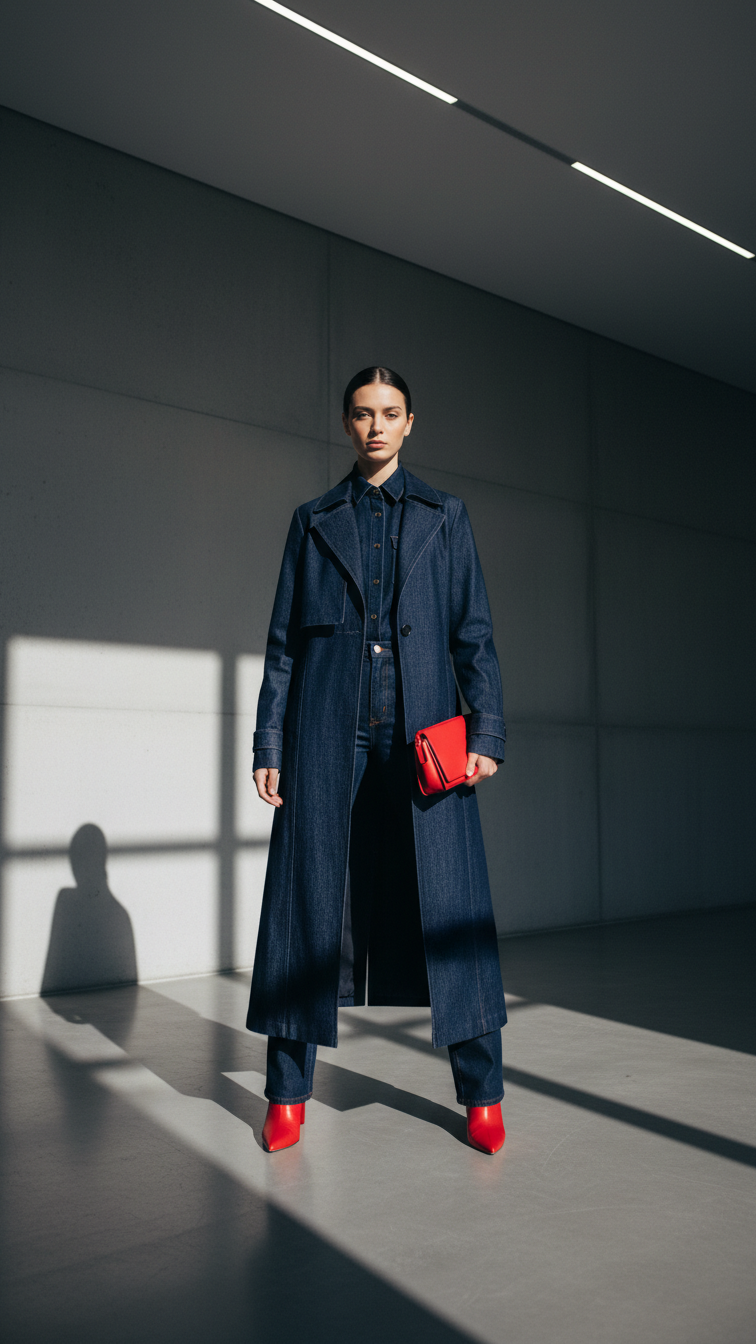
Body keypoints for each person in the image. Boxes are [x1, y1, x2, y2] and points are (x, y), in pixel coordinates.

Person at [248, 366, 508, 1155]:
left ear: (410, 422)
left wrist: (486, 732)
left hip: (426, 730)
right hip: (328, 731)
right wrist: (270, 743)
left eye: (390, 414)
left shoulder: (445, 517)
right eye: (362, 414)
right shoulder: (313, 520)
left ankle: (483, 1094)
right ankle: (287, 1093)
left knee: (454, 906)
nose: (375, 428)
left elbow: (473, 632)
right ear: (346, 422)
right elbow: (284, 647)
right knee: (303, 908)